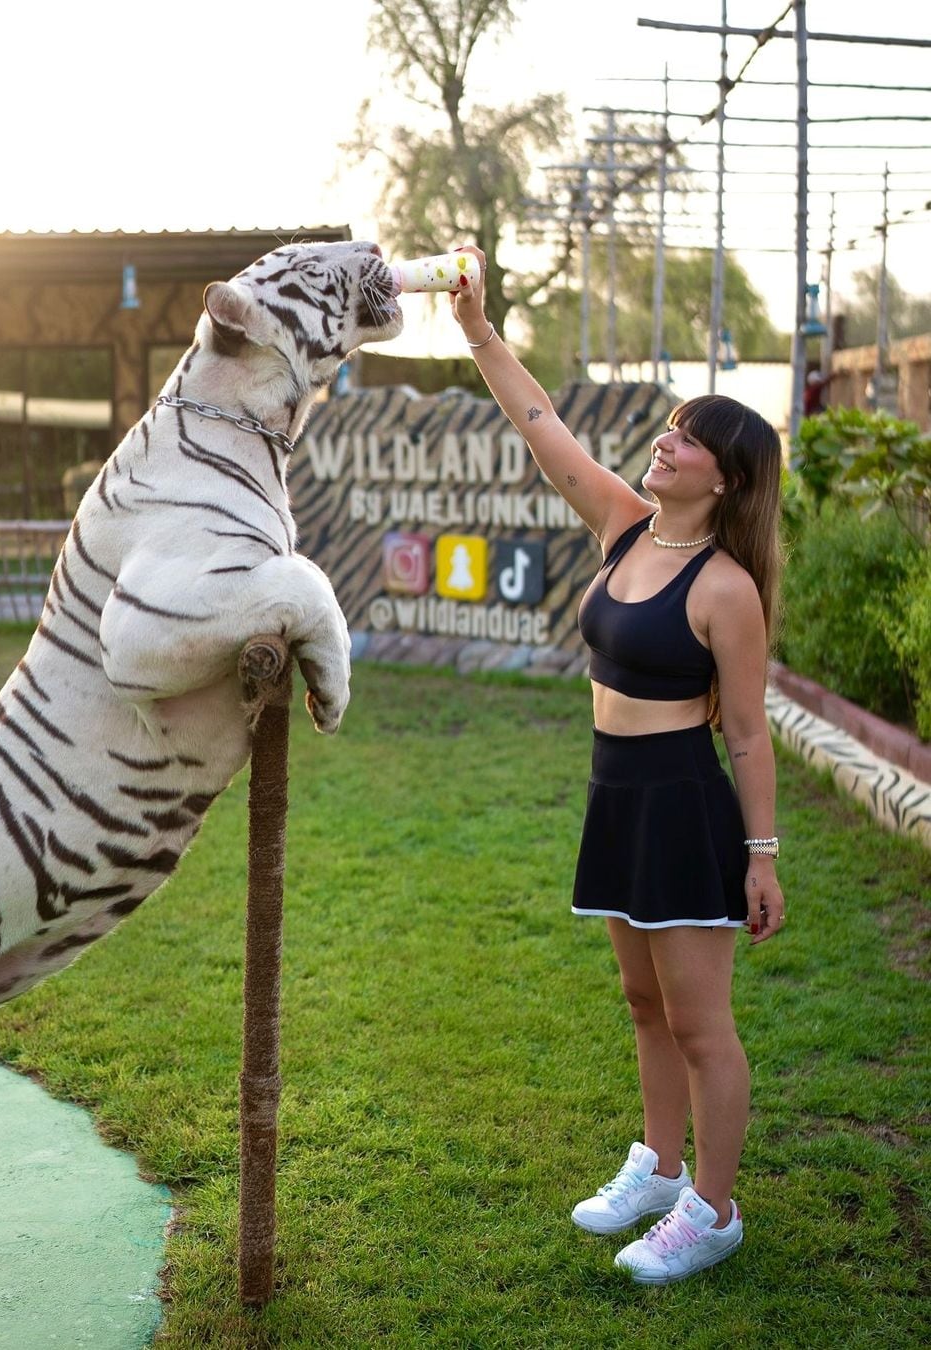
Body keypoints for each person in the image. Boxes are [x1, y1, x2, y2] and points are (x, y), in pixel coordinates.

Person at [449, 246, 786, 1285]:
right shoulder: (623, 526)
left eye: (689, 441)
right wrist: (475, 330)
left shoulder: (728, 589)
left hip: (685, 807)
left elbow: (748, 732)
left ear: (724, 477)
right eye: (671, 429)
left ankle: (713, 1212)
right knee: (644, 1008)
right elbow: (541, 423)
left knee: (698, 1022)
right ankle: (658, 1166)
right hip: (615, 797)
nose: (667, 445)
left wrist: (762, 858)